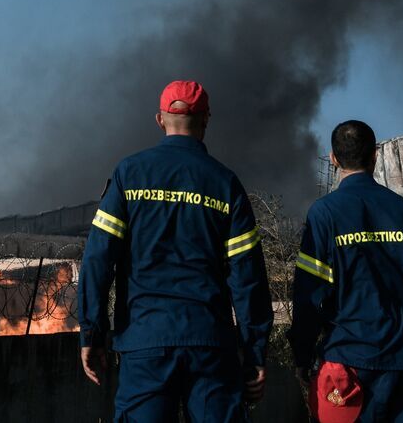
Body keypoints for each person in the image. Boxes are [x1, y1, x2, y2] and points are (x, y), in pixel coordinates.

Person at [79, 80, 274, 423]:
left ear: (159, 119)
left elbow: (98, 259)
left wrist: (91, 333)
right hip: (211, 345)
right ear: (206, 120)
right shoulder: (225, 183)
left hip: (145, 341)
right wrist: (254, 352)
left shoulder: (129, 174)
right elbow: (248, 277)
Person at [290, 120, 403, 423]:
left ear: (333, 158)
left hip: (351, 366)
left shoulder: (325, 214)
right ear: (376, 155)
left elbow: (309, 295)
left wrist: (302, 355)